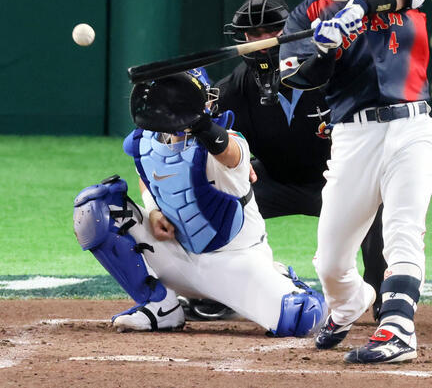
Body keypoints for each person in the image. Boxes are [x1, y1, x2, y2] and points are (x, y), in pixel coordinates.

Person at [280, 0, 432, 364]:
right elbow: (297, 78)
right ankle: (350, 301)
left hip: (411, 127)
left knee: (403, 231)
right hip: (353, 137)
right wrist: (325, 52)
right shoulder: (306, 16)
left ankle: (398, 329)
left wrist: (359, 10)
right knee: (331, 262)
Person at [73, 68, 326, 337]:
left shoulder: (229, 141)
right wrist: (154, 210)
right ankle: (161, 306)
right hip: (176, 258)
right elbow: (147, 175)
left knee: (301, 316)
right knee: (94, 207)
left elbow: (230, 153)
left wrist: (199, 124)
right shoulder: (145, 143)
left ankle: (280, 279)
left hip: (236, 265)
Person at [215, 0, 386, 320]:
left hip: (338, 182)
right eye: (253, 34)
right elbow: (201, 135)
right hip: (275, 181)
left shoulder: (331, 71)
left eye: (272, 31)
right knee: (215, 204)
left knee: (378, 200)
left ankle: (383, 296)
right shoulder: (235, 87)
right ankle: (220, 292)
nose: (262, 41)